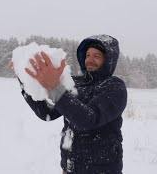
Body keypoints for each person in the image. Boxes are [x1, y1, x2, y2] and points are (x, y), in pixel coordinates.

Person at [15, 34, 127, 174]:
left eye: (96, 56)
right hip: (69, 168)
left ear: (108, 60)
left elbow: (88, 119)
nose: (89, 60)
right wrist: (24, 80)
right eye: (87, 55)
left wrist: (54, 87)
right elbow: (47, 113)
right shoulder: (76, 82)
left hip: (102, 170)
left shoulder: (115, 87)